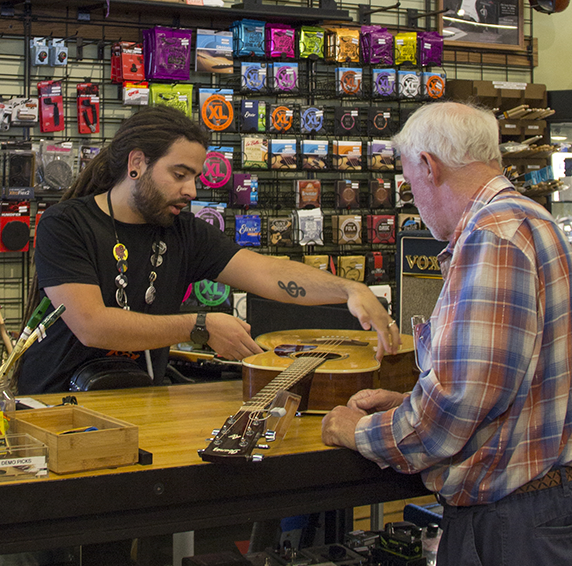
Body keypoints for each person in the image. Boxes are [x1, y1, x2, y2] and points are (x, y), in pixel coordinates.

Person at [322, 101, 572, 565]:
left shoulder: (491, 237)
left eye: (408, 182)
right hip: (538, 510)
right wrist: (407, 404)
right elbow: (512, 387)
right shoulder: (534, 220)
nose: (411, 196)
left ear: (427, 166)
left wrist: (360, 432)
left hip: (510, 523)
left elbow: (461, 400)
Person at [17, 105, 398, 395]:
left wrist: (350, 290)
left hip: (138, 399)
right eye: (179, 174)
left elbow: (266, 273)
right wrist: (199, 326)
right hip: (56, 406)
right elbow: (93, 325)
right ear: (137, 164)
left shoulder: (183, 232)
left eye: (194, 177)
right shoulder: (64, 224)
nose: (192, 191)